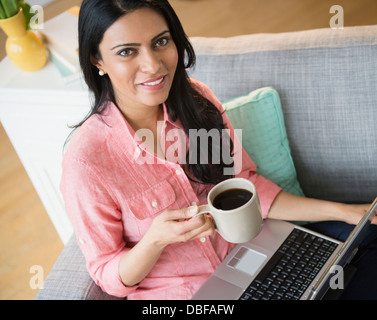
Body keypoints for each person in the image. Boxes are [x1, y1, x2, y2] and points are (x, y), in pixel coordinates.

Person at [61, 0, 377, 300]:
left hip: (256, 262)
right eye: (127, 51)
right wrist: (155, 240)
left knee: (364, 249)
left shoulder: (196, 102)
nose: (153, 65)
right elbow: (107, 273)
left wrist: (346, 212)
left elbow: (247, 187)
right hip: (191, 295)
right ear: (96, 59)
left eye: (160, 42)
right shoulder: (87, 162)